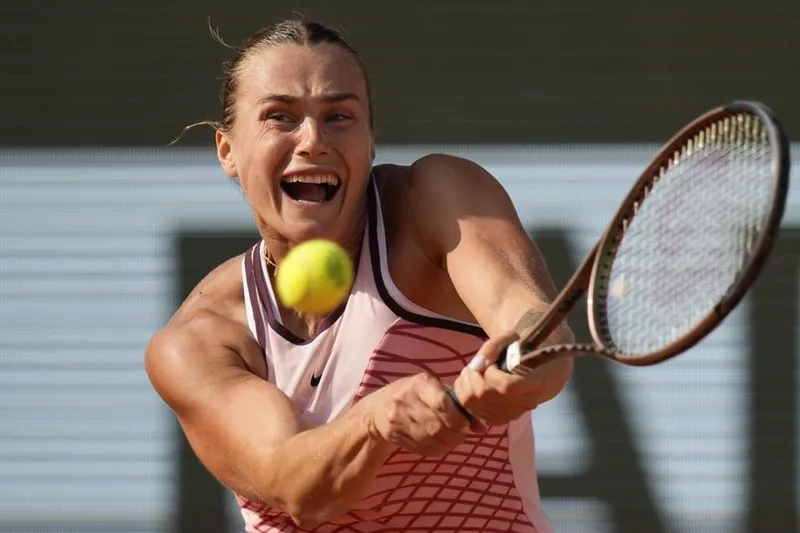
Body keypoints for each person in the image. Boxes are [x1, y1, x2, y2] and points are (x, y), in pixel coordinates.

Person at [145, 19, 575, 533]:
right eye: (280, 117)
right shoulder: (198, 340)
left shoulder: (436, 201)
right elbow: (295, 485)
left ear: (371, 141)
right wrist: (375, 419)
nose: (312, 141)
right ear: (227, 152)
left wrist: (520, 364)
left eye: (339, 117)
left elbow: (535, 328)